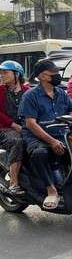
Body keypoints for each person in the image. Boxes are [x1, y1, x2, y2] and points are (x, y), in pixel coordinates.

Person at [18, 59, 72, 210]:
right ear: (42, 76)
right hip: (36, 136)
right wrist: (51, 141)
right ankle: (51, 189)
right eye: (54, 73)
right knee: (40, 153)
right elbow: (31, 123)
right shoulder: (31, 96)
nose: (58, 75)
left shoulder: (60, 93)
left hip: (61, 133)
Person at [0, 61, 30, 195]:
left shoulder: (28, 91)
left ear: (17, 74)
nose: (2, 75)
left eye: (5, 73)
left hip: (27, 127)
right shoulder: (0, 91)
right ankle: (13, 183)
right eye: (1, 73)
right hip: (4, 129)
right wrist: (13, 125)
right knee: (17, 142)